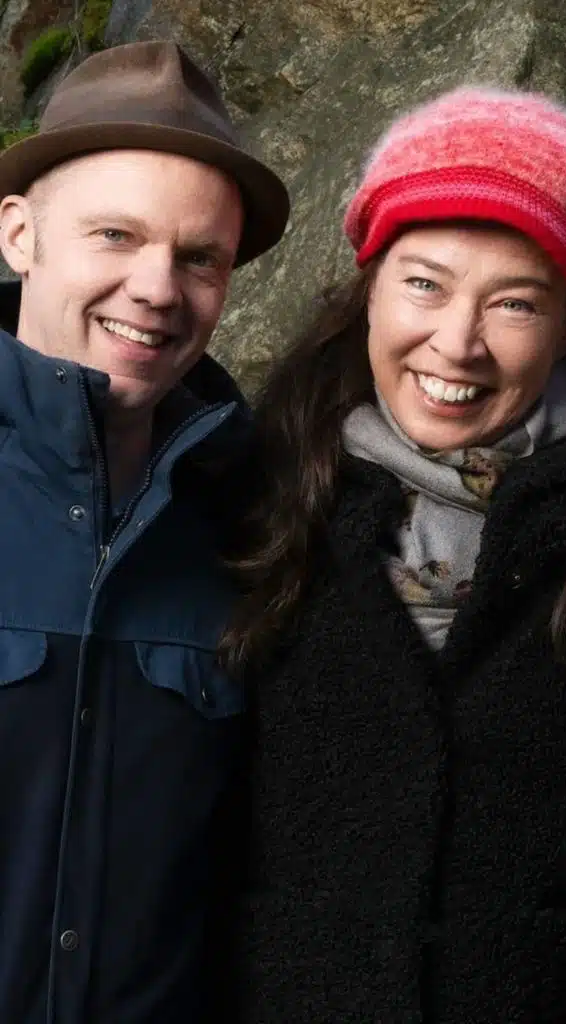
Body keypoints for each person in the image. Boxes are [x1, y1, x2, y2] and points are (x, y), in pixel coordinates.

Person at [217, 87, 566, 1023]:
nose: (457, 344)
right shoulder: (261, 489)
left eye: (514, 303)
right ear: (370, 287)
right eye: (424, 284)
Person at [0, 41, 289, 1024]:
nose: (159, 289)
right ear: (19, 234)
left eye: (199, 256)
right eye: (116, 235)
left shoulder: (255, 522)